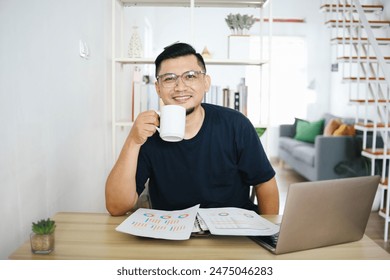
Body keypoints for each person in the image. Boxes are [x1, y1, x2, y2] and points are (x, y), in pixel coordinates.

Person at [105, 42, 279, 216]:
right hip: (171, 233)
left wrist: (267, 234)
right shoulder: (147, 132)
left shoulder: (236, 124)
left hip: (232, 233)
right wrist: (133, 141)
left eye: (190, 76)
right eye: (169, 78)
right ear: (158, 88)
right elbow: (116, 206)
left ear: (206, 82)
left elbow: (265, 183)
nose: (180, 87)